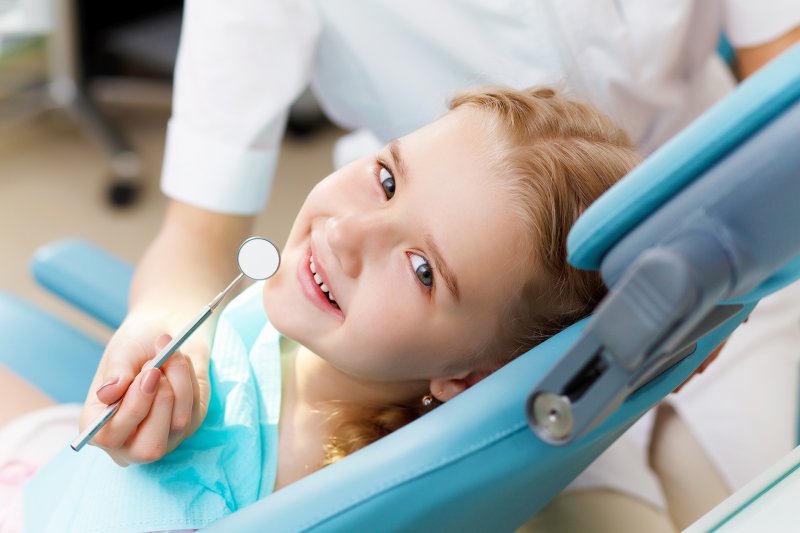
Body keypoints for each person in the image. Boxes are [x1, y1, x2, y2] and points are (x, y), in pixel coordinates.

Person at [0, 86, 643, 531]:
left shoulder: (288, 495)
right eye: (387, 179)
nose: (348, 233)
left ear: (469, 379)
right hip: (53, 477)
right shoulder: (314, 339)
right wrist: (164, 330)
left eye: (422, 271)